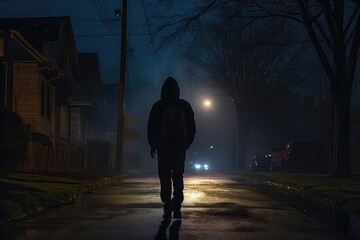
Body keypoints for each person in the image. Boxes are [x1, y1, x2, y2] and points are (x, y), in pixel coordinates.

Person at [147, 76, 196, 219]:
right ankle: (178, 200)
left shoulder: (158, 106)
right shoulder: (184, 106)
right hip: (180, 147)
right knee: (178, 175)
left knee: (165, 176)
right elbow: (192, 127)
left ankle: (167, 202)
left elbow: (151, 127)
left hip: (163, 146)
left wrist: (153, 145)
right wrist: (187, 143)